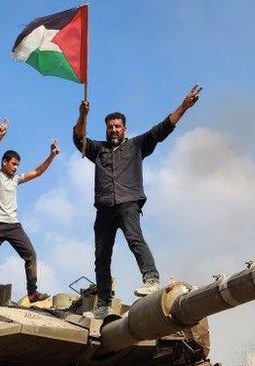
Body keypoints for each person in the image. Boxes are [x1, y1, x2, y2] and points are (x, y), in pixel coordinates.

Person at [72, 86, 202, 316]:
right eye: (110, 127)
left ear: (124, 128)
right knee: (101, 256)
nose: (114, 130)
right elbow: (78, 137)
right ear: (106, 129)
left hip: (128, 201)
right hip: (103, 207)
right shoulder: (98, 149)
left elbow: (162, 129)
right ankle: (103, 304)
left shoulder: (136, 145)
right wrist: (83, 115)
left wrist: (183, 107)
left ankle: (151, 279)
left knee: (135, 239)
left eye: (117, 126)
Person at [0, 119, 58, 306]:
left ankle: (32, 292)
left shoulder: (16, 180)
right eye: (13, 164)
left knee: (30, 255)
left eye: (18, 165)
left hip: (13, 225)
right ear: (4, 163)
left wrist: (51, 156)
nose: (16, 167)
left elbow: (37, 172)